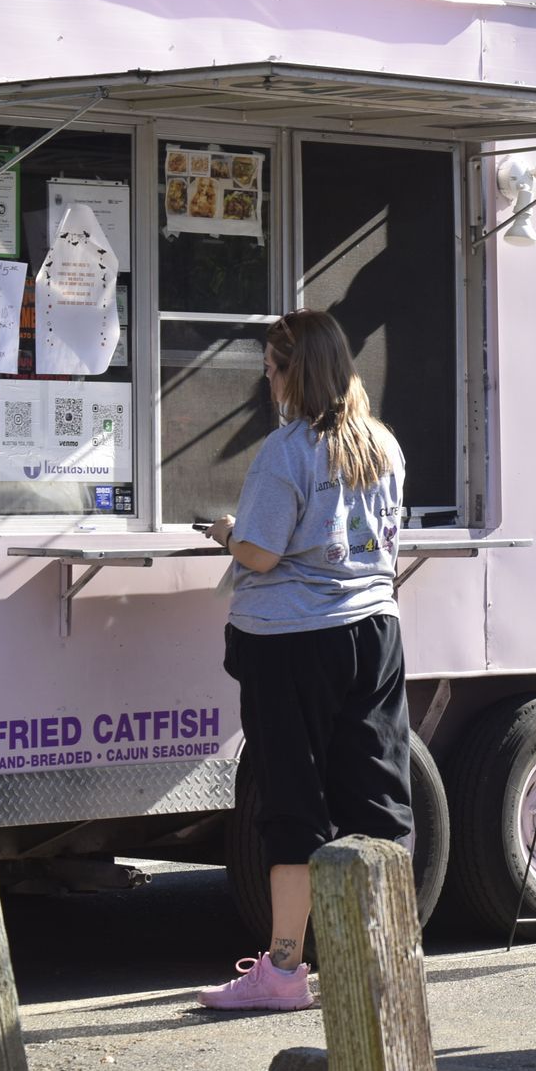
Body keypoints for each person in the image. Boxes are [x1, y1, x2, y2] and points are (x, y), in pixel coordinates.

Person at [196, 309, 411, 1012]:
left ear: (295, 372)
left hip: (289, 643)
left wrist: (226, 532)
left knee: (295, 802)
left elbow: (260, 551)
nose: (265, 376)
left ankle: (285, 969)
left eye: (270, 365)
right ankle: (385, 955)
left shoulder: (285, 452)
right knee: (377, 797)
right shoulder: (381, 445)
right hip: (374, 630)